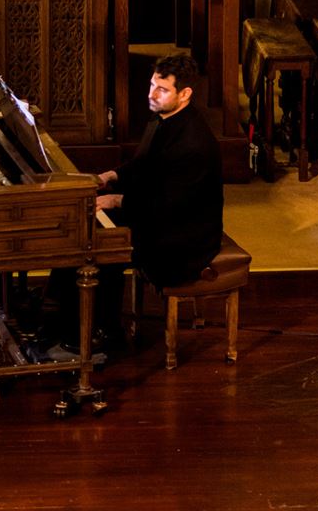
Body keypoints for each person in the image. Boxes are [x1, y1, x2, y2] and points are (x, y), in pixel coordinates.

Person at [43, 54, 223, 352]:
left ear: (185, 94)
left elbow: (171, 204)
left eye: (162, 89)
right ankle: (57, 316)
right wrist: (111, 175)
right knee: (82, 228)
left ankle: (103, 333)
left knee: (103, 246)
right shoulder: (163, 117)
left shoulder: (193, 143)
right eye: (152, 85)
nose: (151, 94)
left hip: (183, 239)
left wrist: (117, 200)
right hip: (160, 217)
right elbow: (144, 166)